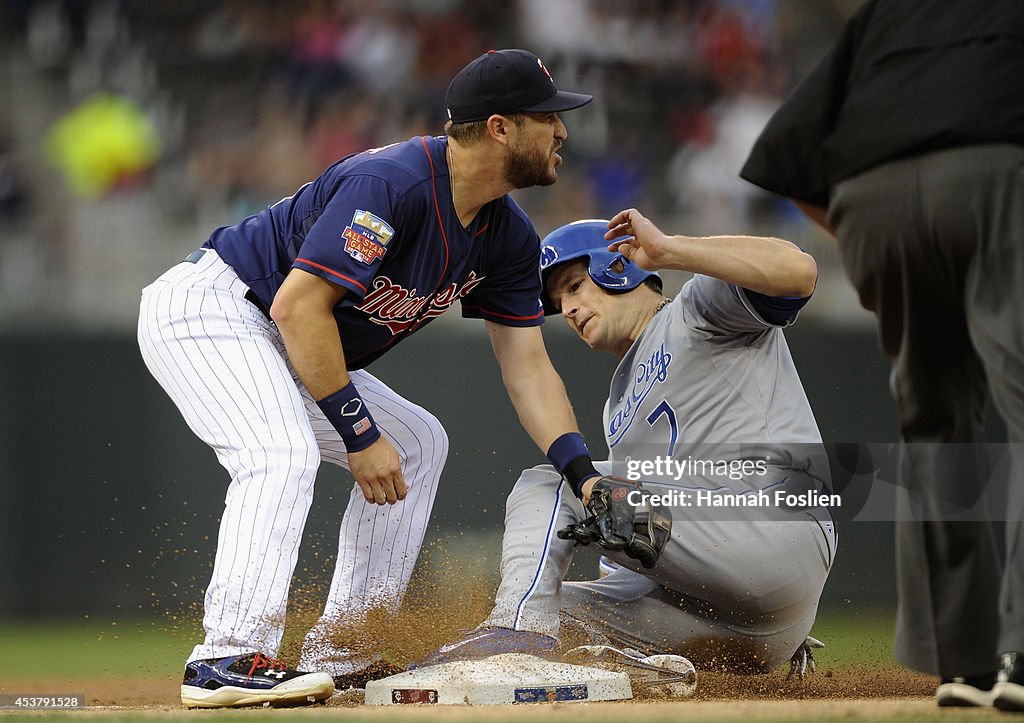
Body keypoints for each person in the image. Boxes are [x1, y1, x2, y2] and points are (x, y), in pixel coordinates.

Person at [137, 48, 604, 709]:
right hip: (217, 306)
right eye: (548, 117)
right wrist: (358, 434)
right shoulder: (393, 184)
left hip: (288, 334)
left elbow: (527, 365)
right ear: (500, 127)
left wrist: (582, 472)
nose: (562, 131)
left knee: (419, 440)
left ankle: (344, 653)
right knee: (281, 454)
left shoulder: (508, 237)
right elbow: (297, 307)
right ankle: (225, 656)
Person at [739, 0, 1024, 710]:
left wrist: (881, 238)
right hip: (998, 175)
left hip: (872, 200)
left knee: (937, 426)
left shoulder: (892, 14)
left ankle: (965, 664)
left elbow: (788, 158)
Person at [420, 212, 837, 677]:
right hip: (741, 623)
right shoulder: (617, 406)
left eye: (575, 286)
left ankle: (516, 635)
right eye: (560, 300)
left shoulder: (695, 310)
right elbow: (636, 539)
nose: (569, 308)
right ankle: (651, 672)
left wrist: (670, 250)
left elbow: (799, 271)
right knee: (561, 612)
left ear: (617, 267)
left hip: (772, 528)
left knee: (556, 483)